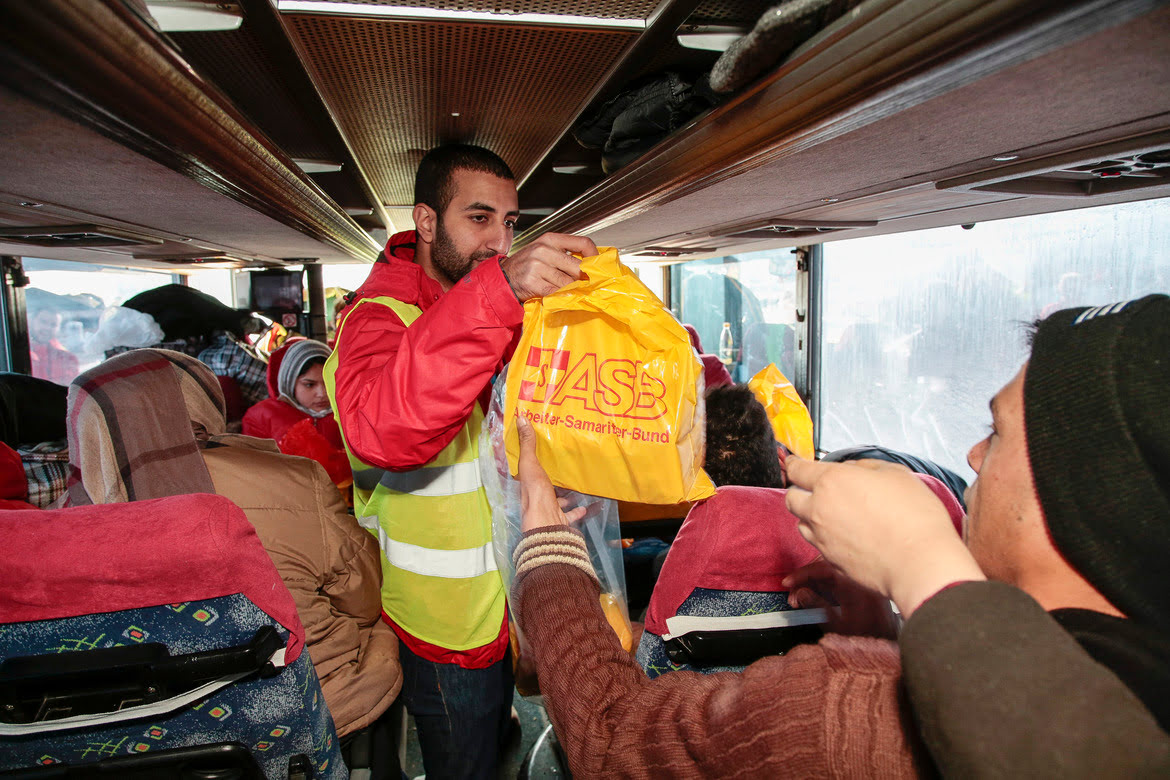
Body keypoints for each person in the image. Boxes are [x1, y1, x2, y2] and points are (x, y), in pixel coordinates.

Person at [509, 294, 1170, 776]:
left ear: (1078, 495)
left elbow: (609, 735)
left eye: (995, 432)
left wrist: (546, 539)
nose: (970, 453)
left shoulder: (841, 707)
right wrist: (889, 624)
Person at [325, 143, 596, 778]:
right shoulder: (378, 318)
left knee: (493, 749)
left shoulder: (490, 312)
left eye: (510, 223)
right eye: (479, 218)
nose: (499, 241)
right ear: (425, 223)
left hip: (503, 596)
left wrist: (539, 497)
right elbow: (386, 431)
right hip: (444, 623)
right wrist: (498, 291)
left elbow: (491, 438)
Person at [65, 348, 400, 741]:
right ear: (201, 403)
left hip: (143, 733)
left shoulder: (63, 522)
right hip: (308, 703)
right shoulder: (294, 478)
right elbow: (361, 597)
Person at [243, 339, 350, 488]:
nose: (322, 393)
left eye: (328, 382)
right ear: (289, 381)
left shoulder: (350, 413)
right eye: (309, 385)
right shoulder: (262, 416)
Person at [28, 309, 79, 386]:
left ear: (59, 328)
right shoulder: (20, 353)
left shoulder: (68, 358)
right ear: (31, 322)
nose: (47, 327)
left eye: (53, 325)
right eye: (43, 322)